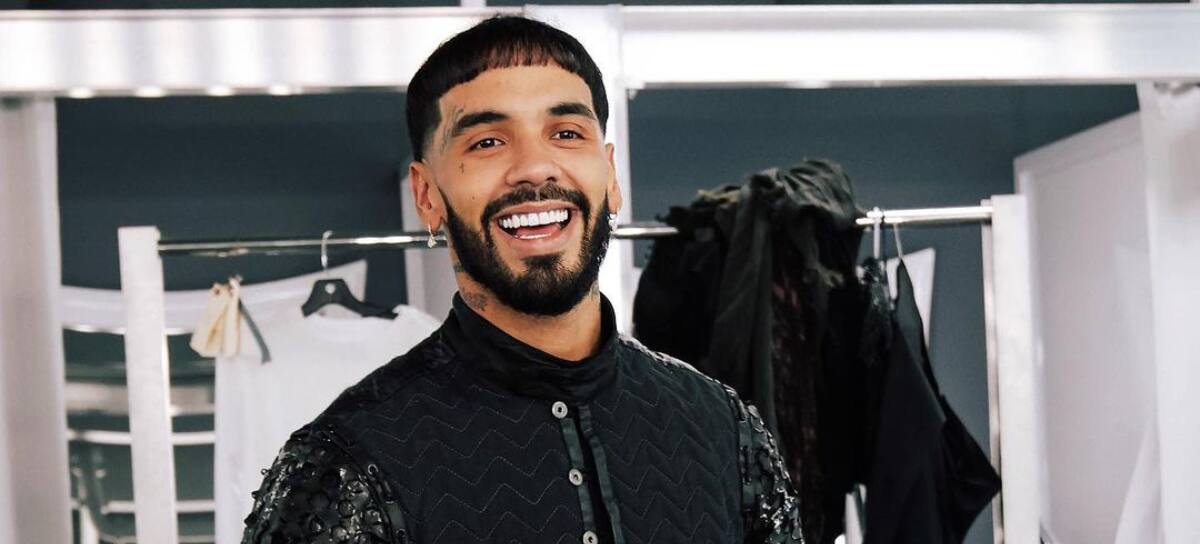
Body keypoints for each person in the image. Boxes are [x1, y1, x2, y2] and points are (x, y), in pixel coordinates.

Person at [242, 15, 804, 544]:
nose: (535, 167)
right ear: (427, 195)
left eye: (567, 133)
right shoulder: (346, 463)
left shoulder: (724, 430)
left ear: (610, 175)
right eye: (487, 141)